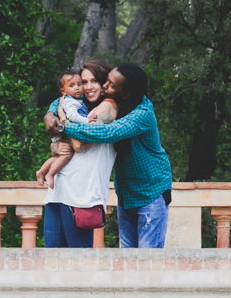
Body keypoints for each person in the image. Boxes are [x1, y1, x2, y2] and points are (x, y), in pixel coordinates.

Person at [44, 63, 172, 248]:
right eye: (84, 82)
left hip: (151, 190)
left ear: (125, 92)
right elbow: (65, 97)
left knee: (147, 259)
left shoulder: (140, 113)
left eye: (107, 84)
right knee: (127, 253)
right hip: (127, 192)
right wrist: (50, 111)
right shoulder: (97, 102)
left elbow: (106, 134)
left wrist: (62, 126)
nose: (103, 86)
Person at [42, 59, 118, 248]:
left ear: (105, 84)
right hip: (57, 192)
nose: (88, 87)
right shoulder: (78, 107)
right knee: (51, 263)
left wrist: (61, 117)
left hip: (82, 197)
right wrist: (56, 144)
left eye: (94, 81)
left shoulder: (108, 107)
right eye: (84, 82)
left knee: (78, 266)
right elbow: (61, 142)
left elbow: (79, 144)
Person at [36, 69, 88, 188]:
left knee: (58, 156)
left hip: (64, 131)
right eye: (72, 85)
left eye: (79, 84)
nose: (77, 88)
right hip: (64, 132)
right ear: (63, 90)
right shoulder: (70, 101)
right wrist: (87, 121)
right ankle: (50, 174)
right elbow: (73, 116)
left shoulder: (77, 99)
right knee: (66, 154)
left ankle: (41, 171)